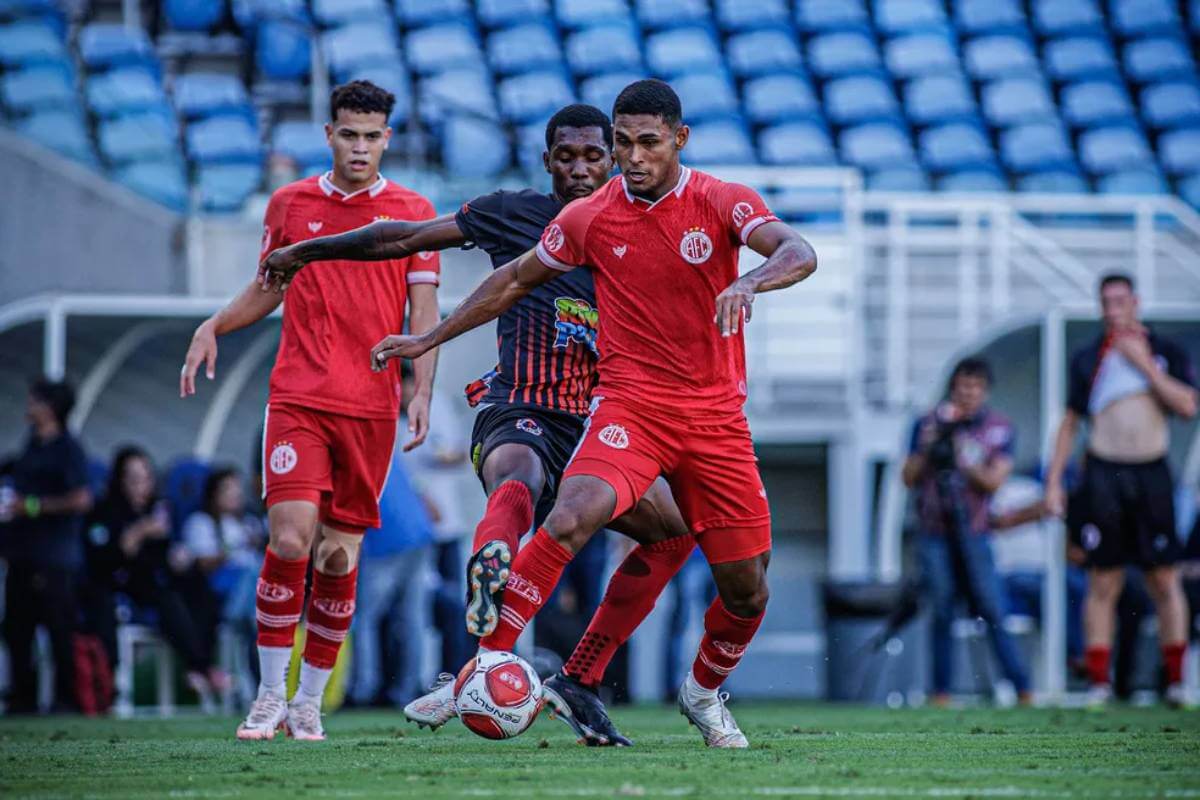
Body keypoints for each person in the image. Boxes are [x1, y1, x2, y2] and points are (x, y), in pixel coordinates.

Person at [366, 80, 819, 747]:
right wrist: (428, 338)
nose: (633, 158)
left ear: (679, 140)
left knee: (747, 592)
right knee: (573, 512)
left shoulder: (722, 201)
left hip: (717, 421)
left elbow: (799, 251)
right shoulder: (590, 215)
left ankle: (697, 691)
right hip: (629, 407)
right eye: (624, 143)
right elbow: (513, 281)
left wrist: (749, 281)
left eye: (647, 143)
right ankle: (483, 667)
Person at [262, 103, 700, 746]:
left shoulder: (638, 229)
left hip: (603, 423)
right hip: (518, 406)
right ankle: (488, 580)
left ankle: (568, 678)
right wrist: (308, 250)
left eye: (592, 156)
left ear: (612, 159)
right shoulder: (512, 214)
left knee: (672, 535)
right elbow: (400, 237)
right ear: (546, 159)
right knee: (515, 482)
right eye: (566, 156)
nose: (579, 169)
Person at [180, 80, 442, 741]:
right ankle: (269, 696)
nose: (359, 147)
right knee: (291, 538)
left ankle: (309, 703)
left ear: (387, 138)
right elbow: (269, 285)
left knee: (336, 559)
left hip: (371, 407)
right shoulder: (291, 204)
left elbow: (424, 312)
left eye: (371, 136)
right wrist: (216, 324)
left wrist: (423, 389)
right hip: (298, 395)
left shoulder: (413, 212)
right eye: (348, 134)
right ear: (329, 135)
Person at [1044, 273, 1198, 708]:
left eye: (1120, 302)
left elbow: (1186, 405)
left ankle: (1175, 682)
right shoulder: (1089, 357)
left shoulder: (1164, 352)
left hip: (1151, 472)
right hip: (1104, 473)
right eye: (1105, 303)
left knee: (1164, 578)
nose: (1112, 311)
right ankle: (1098, 682)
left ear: (1135, 303)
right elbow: (1071, 422)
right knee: (1103, 579)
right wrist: (1055, 482)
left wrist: (1143, 364)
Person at [901, 357, 1031, 706]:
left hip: (975, 531)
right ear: (952, 388)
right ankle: (940, 692)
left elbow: (993, 482)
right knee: (941, 610)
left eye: (974, 388)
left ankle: (1022, 688)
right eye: (961, 387)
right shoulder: (927, 424)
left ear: (985, 391)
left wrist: (963, 455)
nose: (967, 394)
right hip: (934, 530)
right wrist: (930, 445)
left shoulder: (998, 429)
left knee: (992, 607)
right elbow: (908, 477)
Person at [83, 446, 226, 698]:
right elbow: (104, 559)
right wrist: (139, 532)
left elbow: (163, 555)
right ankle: (199, 666)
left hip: (152, 580)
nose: (142, 486)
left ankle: (200, 665)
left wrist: (178, 557)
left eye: (146, 478)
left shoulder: (158, 509)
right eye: (134, 480)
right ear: (120, 481)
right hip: (119, 583)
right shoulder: (106, 511)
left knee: (199, 588)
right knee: (164, 598)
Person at [0, 378, 93, 713]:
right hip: (22, 553)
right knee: (17, 628)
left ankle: (66, 699)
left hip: (54, 556)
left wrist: (33, 506)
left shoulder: (68, 449)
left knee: (58, 628)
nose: (29, 406)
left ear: (50, 407)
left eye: (34, 400)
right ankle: (22, 698)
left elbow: (81, 498)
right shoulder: (31, 446)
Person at [349, 423, 435, 707]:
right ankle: (410, 688)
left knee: (364, 619)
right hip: (420, 534)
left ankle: (364, 688)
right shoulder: (383, 445)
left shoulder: (351, 454)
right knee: (414, 618)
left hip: (388, 541)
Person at [179, 467, 265, 633]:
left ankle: (256, 620)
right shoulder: (201, 522)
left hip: (251, 585)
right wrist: (230, 550)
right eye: (228, 489)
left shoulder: (249, 523)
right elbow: (202, 563)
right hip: (222, 584)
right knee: (253, 573)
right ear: (214, 493)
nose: (235, 493)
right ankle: (241, 619)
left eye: (237, 488)